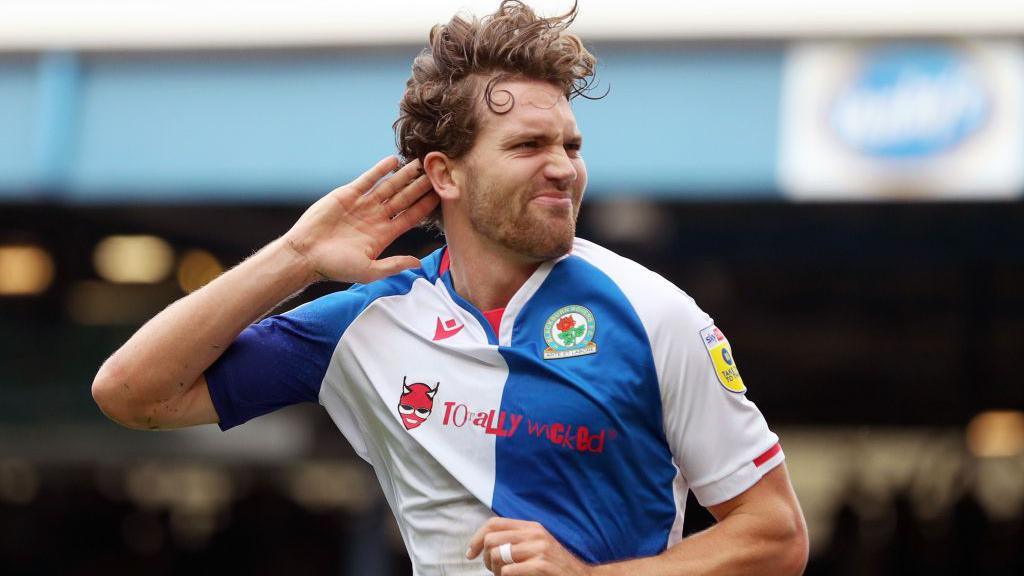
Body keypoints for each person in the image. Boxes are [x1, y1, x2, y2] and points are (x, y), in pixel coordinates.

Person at [91, 2, 809, 574]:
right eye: (529, 146)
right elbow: (130, 394)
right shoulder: (365, 324)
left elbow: (775, 535)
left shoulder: (655, 315)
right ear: (445, 174)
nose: (563, 167)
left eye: (571, 145)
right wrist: (299, 254)